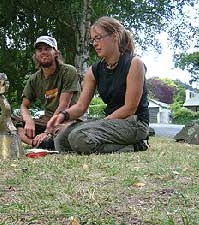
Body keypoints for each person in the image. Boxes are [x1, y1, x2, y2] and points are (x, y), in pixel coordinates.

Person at [47, 16, 149, 154]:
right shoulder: (94, 71)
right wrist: (63, 116)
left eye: (98, 38)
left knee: (79, 137)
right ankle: (114, 145)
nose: (94, 43)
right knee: (60, 140)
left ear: (114, 36)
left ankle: (135, 146)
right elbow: (81, 106)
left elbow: (130, 108)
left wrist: (101, 122)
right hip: (111, 122)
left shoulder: (134, 63)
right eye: (92, 40)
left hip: (134, 123)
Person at [14, 35, 81, 149]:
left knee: (63, 131)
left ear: (56, 53)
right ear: (35, 55)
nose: (43, 52)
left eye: (47, 49)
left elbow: (63, 105)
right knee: (11, 121)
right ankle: (36, 143)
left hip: (67, 119)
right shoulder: (34, 79)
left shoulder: (68, 71)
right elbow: (24, 106)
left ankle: (48, 140)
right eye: (40, 50)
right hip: (46, 120)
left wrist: (47, 131)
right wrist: (28, 120)